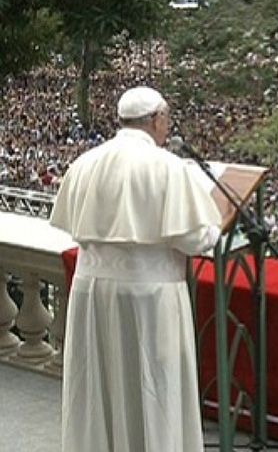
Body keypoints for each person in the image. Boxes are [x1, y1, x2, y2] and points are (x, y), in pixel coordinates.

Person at [50, 85, 223, 452]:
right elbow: (195, 239)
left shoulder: (85, 162)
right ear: (157, 120)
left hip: (92, 289)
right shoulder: (168, 167)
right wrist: (216, 224)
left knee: (100, 384)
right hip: (149, 294)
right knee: (152, 387)